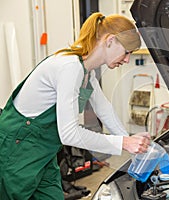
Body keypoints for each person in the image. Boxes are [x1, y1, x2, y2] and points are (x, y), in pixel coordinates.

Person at [0, 12, 150, 199]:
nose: (127, 60)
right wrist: (124, 143)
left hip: (44, 152)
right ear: (110, 40)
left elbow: (104, 110)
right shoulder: (69, 67)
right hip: (18, 149)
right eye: (127, 52)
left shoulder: (87, 72)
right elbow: (69, 134)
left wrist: (131, 144)